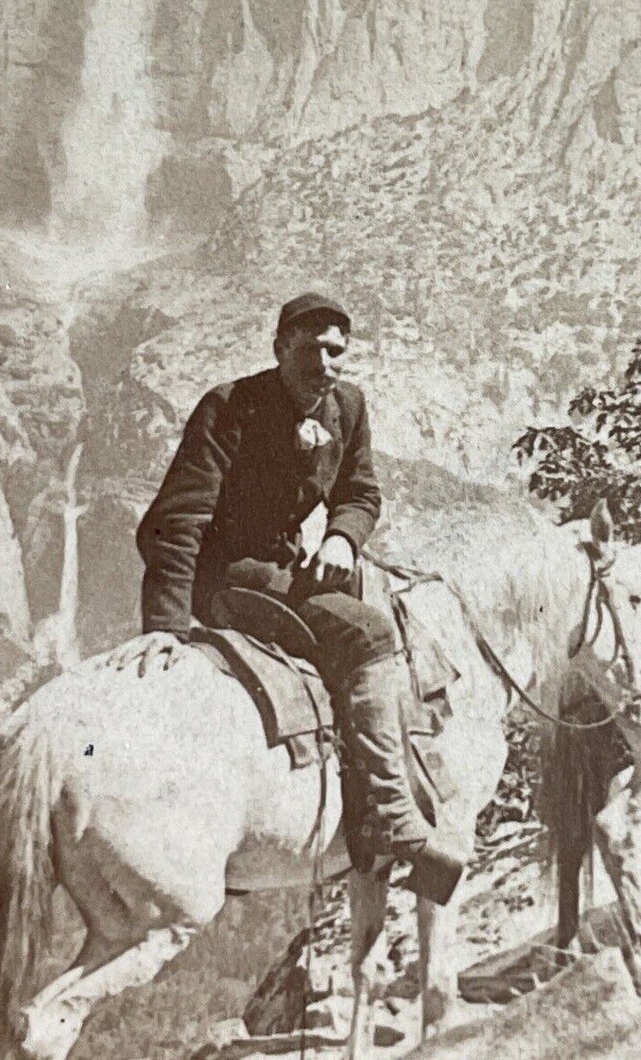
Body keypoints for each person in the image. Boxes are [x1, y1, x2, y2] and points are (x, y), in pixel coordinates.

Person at [133, 291, 465, 903]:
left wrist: (341, 538)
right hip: (228, 578)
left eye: (336, 351)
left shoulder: (348, 406)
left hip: (290, 567)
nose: (325, 362)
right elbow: (177, 520)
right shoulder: (230, 407)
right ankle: (392, 816)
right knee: (368, 634)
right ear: (279, 347)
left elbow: (361, 493)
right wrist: (166, 625)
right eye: (310, 348)